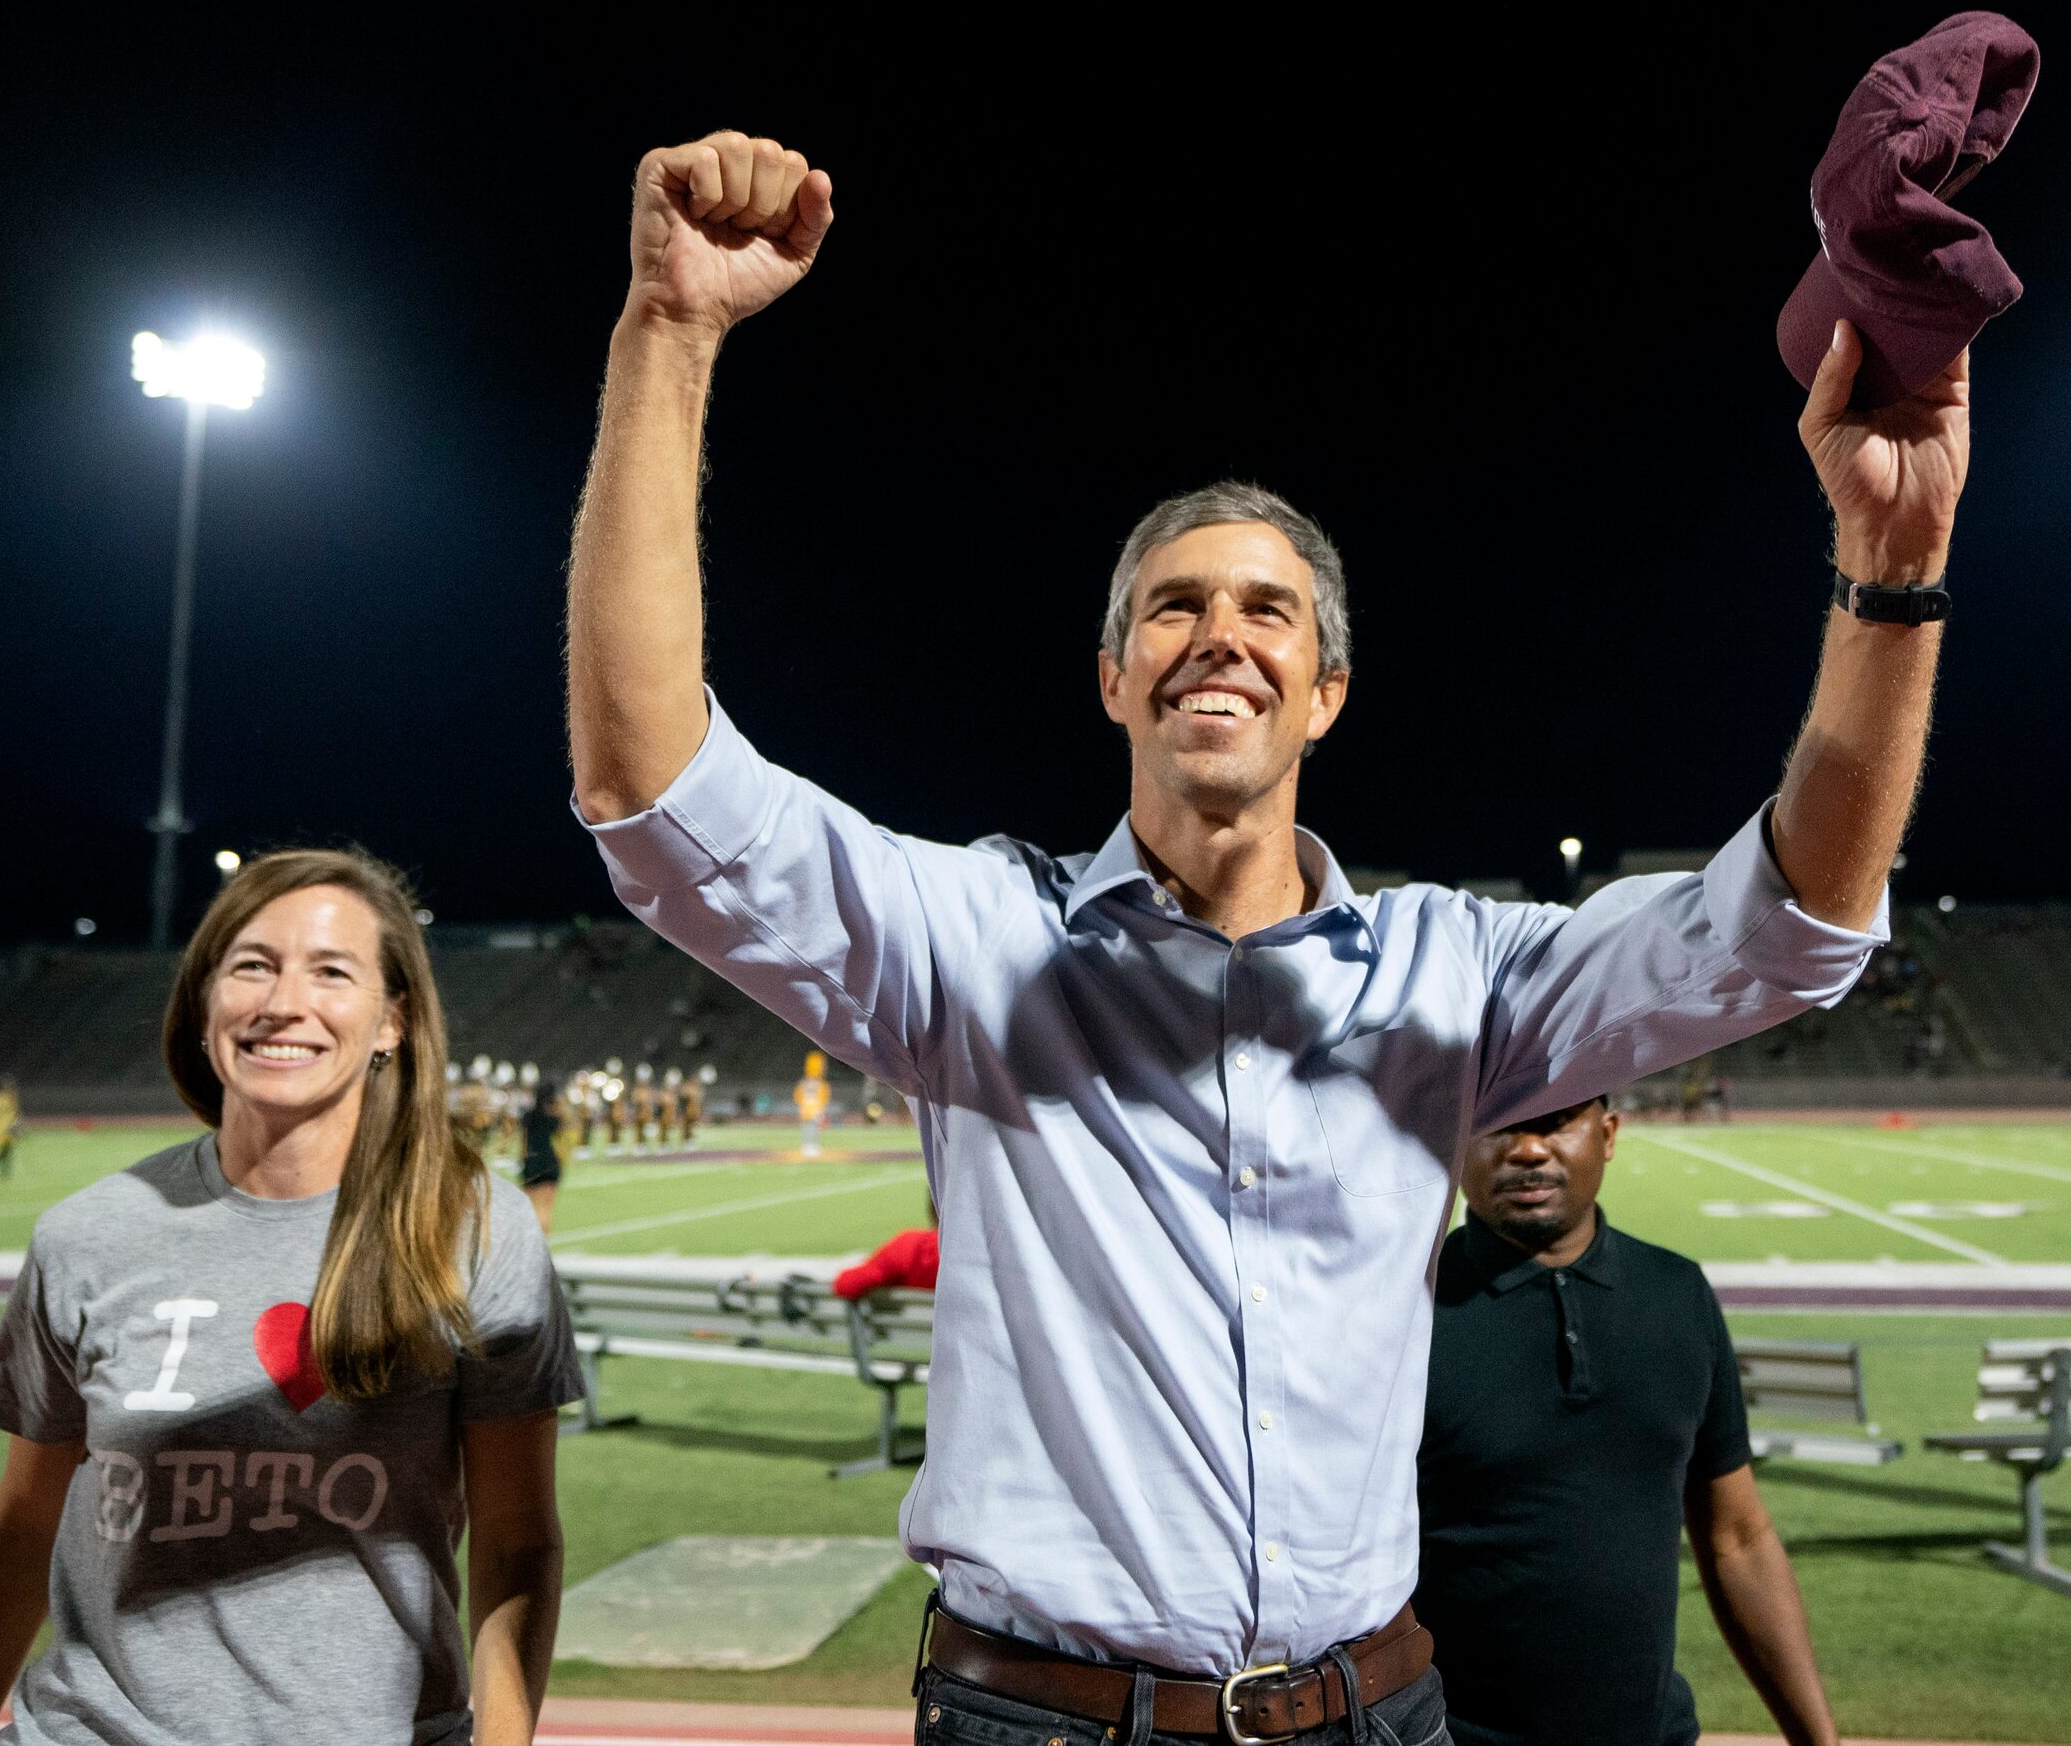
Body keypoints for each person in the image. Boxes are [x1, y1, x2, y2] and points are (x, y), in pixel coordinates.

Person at [567, 128, 1962, 1742]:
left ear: (1325, 690)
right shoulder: (971, 940)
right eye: (1171, 604)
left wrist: (1894, 566)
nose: (1217, 631)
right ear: (1111, 679)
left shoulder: (1461, 973)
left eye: (1266, 609)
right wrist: (667, 334)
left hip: (1371, 1707)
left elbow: (1790, 921)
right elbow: (651, 786)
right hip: (1045, 1715)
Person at [0, 850, 581, 1746]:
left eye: (331, 971)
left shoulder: (475, 1231)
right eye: (252, 965)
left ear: (392, 1019)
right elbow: (25, 1518)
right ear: (204, 1004)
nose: (285, 1002)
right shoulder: (88, 1234)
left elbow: (518, 1539)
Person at [1420, 1099, 1839, 1745]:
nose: (1528, 1149)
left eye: (1556, 1121)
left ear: (1607, 1134)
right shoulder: (1405, 1311)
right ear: (1457, 1143)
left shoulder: (1676, 1293)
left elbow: (1738, 1537)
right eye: (1500, 1121)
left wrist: (1818, 1741)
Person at [519, 1064, 568, 1231]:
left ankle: (530, 1248)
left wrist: (523, 1161)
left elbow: (523, 1143)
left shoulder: (528, 1116)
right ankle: (541, 1248)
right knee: (545, 1209)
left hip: (531, 1163)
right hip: (549, 1162)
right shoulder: (553, 1117)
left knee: (528, 1210)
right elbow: (564, 1134)